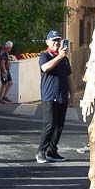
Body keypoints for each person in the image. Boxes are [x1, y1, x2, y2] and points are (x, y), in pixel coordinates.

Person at [36, 31, 72, 164]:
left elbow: (69, 77)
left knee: (59, 126)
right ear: (48, 42)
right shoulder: (44, 56)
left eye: (58, 40)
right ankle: (41, 151)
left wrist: (72, 94)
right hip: (49, 96)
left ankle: (52, 151)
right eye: (54, 40)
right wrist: (59, 57)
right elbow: (45, 68)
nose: (56, 43)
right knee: (49, 124)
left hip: (62, 95)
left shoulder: (65, 59)